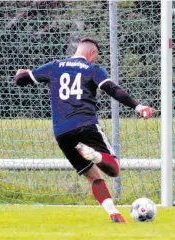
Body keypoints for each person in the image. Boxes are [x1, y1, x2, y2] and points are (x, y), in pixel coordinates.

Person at [13, 37, 154, 223]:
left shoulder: (54, 66)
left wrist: (20, 74)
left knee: (92, 175)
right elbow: (113, 89)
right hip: (86, 124)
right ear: (92, 53)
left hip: (62, 132)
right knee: (114, 170)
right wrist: (137, 107)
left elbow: (21, 80)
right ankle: (96, 156)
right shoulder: (92, 69)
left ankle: (114, 213)